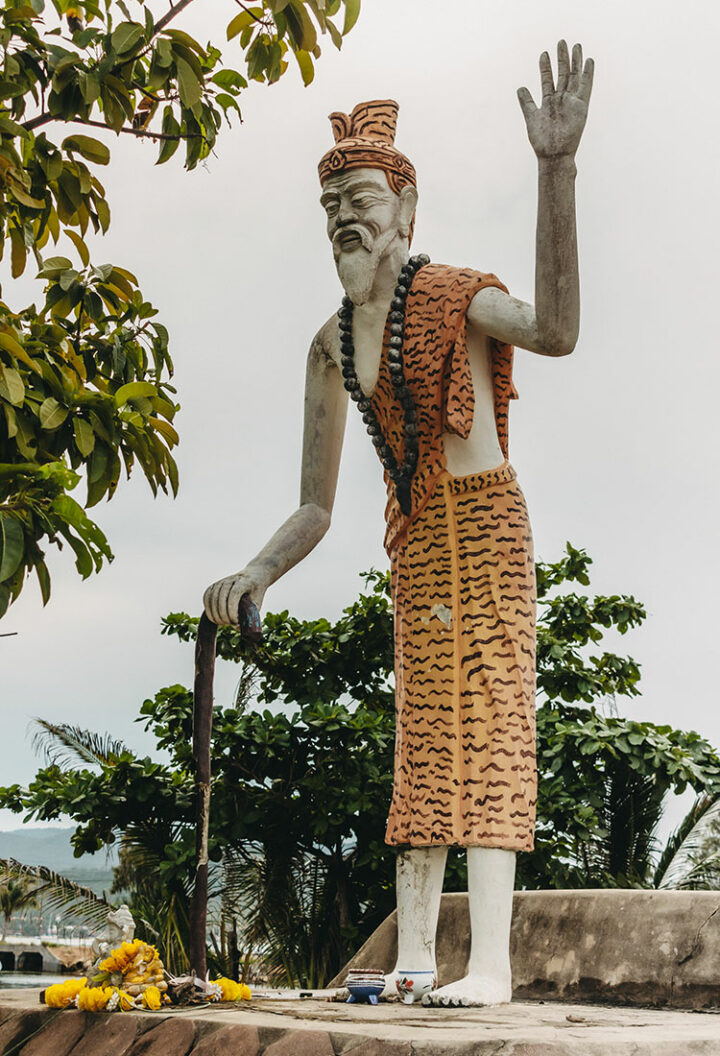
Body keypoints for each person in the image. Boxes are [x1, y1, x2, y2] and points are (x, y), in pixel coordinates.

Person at [204, 41, 594, 1007]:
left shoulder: (453, 297)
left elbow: (554, 330)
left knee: (493, 721)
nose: (345, 215)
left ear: (406, 210)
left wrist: (556, 172)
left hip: (489, 522)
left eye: (364, 196)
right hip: (415, 539)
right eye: (332, 204)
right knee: (423, 739)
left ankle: (492, 963)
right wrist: (257, 568)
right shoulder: (329, 346)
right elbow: (317, 503)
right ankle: (416, 953)